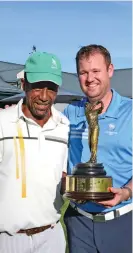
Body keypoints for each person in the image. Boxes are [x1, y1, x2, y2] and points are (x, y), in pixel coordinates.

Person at [63, 44, 132, 253]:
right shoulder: (69, 112)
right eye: (83, 72)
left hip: (122, 222)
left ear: (110, 70)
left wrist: (127, 192)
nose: (89, 78)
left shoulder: (131, 113)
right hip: (78, 221)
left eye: (95, 71)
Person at [0, 51, 69, 253]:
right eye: (38, 87)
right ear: (24, 85)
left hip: (52, 237)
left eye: (51, 88)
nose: (45, 96)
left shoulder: (64, 126)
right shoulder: (3, 122)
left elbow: (62, 174)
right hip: (9, 240)